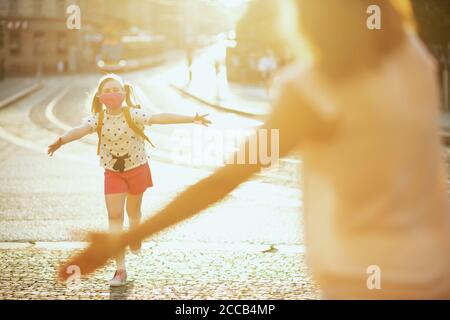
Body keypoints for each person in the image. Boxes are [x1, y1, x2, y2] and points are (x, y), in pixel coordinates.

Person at [58, 0, 450, 299]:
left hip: (358, 276)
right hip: (437, 269)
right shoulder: (413, 57)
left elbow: (224, 180)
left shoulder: (310, 90)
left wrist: (122, 240)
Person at [48, 73, 210, 286]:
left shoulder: (133, 114)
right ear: (99, 96)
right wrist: (61, 141)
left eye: (116, 89)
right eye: (107, 90)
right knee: (115, 218)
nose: (112, 93)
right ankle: (120, 270)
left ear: (124, 93)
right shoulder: (97, 119)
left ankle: (136, 232)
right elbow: (80, 130)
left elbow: (159, 118)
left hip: (137, 169)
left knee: (133, 213)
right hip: (113, 173)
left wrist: (192, 118)